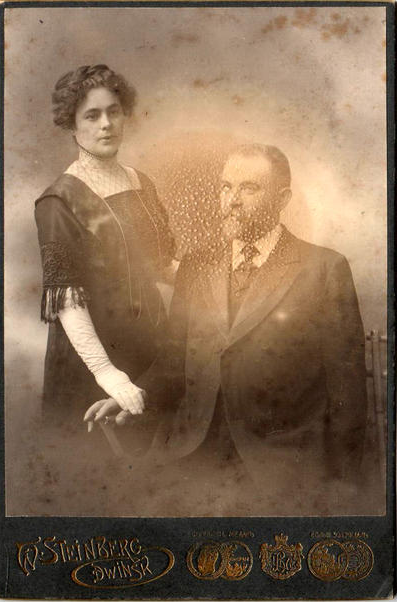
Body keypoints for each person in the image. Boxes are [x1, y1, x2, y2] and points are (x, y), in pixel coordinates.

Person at [86, 143, 370, 516]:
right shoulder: (196, 265)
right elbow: (174, 361)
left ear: (282, 198)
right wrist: (133, 394)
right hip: (191, 454)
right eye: (225, 187)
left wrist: (343, 487)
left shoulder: (324, 269)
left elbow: (347, 392)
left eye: (249, 188)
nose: (232, 200)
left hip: (282, 466)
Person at [35, 64, 175, 434]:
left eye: (114, 111)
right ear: (71, 123)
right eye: (92, 115)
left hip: (149, 349)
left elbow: (162, 265)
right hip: (93, 362)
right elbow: (67, 300)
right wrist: (107, 374)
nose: (106, 124)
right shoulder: (58, 200)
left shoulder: (141, 182)